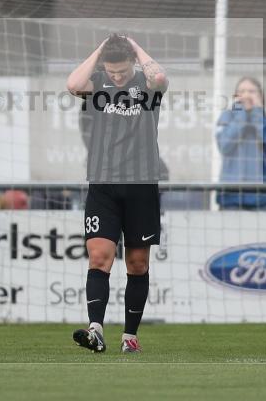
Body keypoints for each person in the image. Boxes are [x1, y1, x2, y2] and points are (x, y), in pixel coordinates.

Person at [66, 33, 167, 354]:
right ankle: (95, 330)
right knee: (99, 257)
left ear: (133, 63)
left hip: (142, 184)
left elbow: (160, 77)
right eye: (112, 71)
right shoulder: (97, 82)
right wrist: (100, 50)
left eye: (122, 71)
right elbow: (72, 84)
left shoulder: (146, 86)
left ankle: (130, 336)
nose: (117, 77)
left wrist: (133, 44)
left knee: (137, 264)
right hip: (103, 184)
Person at [215, 77, 266, 209]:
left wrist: (257, 115)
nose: (246, 95)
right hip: (231, 198)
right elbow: (224, 146)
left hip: (262, 199)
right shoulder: (226, 118)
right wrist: (241, 114)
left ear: (261, 97)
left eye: (252, 91)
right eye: (242, 91)